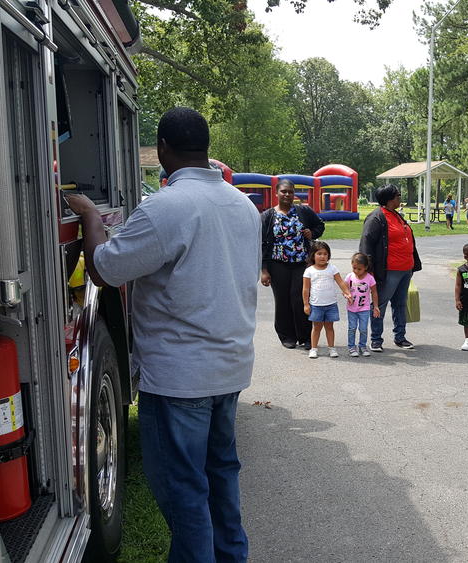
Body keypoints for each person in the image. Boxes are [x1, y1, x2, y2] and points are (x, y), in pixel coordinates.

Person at [65, 107, 257, 562]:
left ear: (164, 148)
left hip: (178, 380)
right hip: (228, 371)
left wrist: (90, 215)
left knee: (183, 490)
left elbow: (105, 269)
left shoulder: (165, 207)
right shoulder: (243, 205)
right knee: (221, 480)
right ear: (205, 148)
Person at [260, 178, 326, 350]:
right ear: (277, 193)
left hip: (301, 264)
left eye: (290, 191)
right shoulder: (267, 216)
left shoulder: (303, 211)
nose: (287, 195)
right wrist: (264, 270)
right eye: (284, 191)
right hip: (277, 264)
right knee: (282, 300)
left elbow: (320, 225)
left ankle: (305, 336)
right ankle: (287, 336)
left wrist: (312, 233)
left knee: (300, 299)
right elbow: (261, 244)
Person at [359, 184, 422, 352]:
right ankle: (376, 340)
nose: (400, 198)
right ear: (389, 198)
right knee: (380, 304)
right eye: (398, 195)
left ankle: (400, 337)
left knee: (400, 304)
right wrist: (368, 270)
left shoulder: (397, 215)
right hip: (388, 270)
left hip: (405, 269)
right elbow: (366, 244)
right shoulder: (376, 218)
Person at [303, 241, 352, 359]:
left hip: (331, 305)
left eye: (325, 254)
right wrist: (306, 304)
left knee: (329, 327)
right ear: (313, 255)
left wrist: (347, 292)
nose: (322, 256)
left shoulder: (332, 268)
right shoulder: (309, 271)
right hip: (316, 305)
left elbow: (340, 281)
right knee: (317, 328)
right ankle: (314, 348)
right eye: (319, 254)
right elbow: (306, 289)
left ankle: (332, 348)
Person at [344, 252, 380, 357]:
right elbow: (345, 289)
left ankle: (362, 346)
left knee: (363, 329)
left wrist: (376, 306)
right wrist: (347, 295)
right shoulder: (350, 277)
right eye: (354, 268)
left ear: (365, 267)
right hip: (351, 309)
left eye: (359, 269)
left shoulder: (370, 278)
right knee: (352, 328)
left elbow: (374, 292)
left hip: (364, 308)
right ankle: (351, 346)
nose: (356, 271)